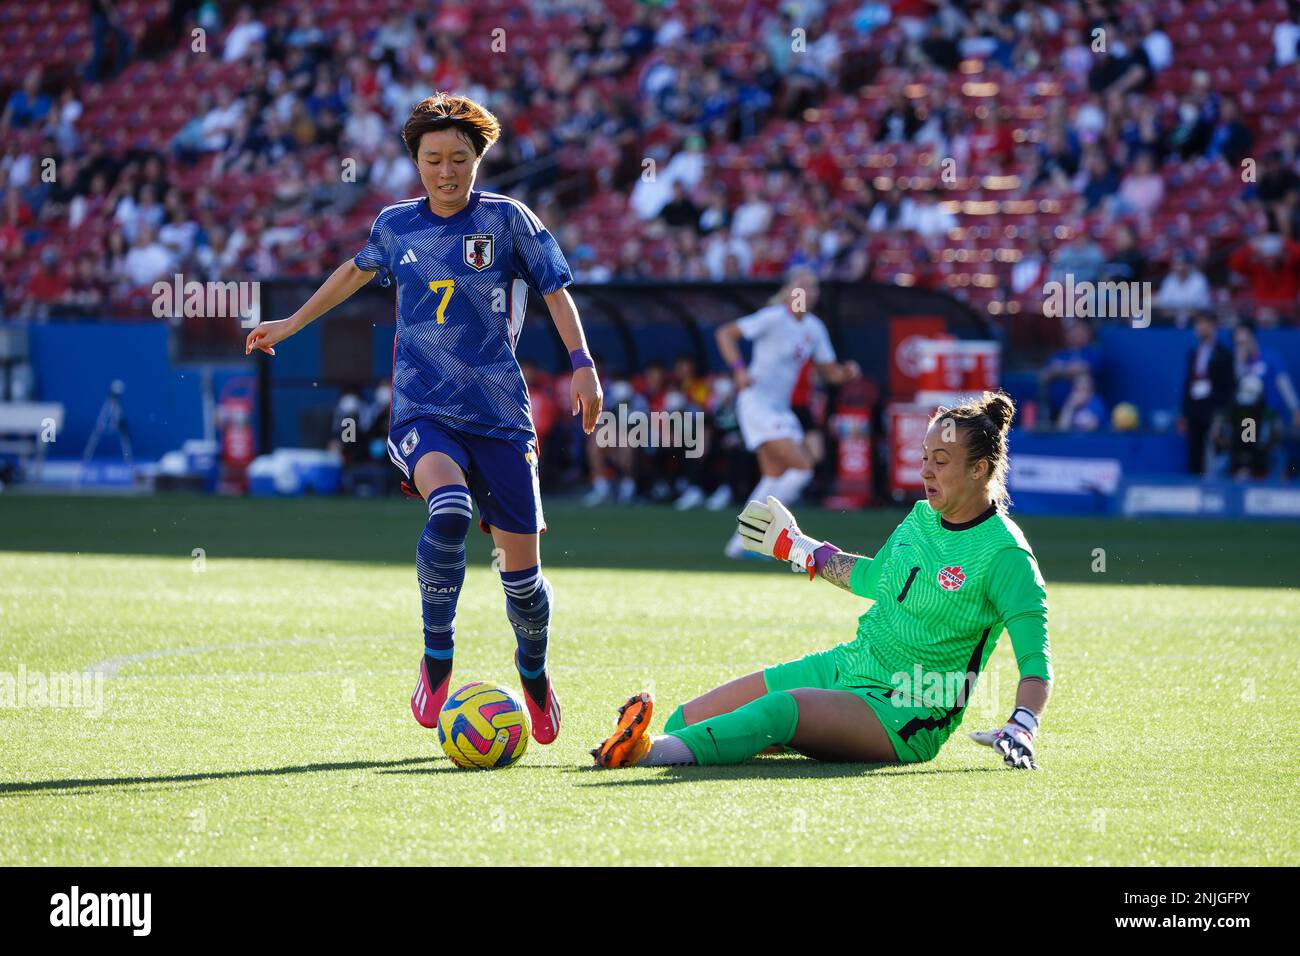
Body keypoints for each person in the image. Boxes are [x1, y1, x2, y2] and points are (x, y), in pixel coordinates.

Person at [245, 92, 602, 745]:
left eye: (458, 159)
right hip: (422, 408)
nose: (446, 171)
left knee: (522, 583)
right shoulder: (396, 225)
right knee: (449, 511)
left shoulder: (508, 220)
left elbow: (555, 288)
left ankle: (535, 673)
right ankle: (437, 660)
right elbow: (353, 275)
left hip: (499, 413)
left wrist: (582, 363)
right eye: (433, 159)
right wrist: (292, 324)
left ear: (477, 160)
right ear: (415, 160)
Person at [593, 392, 1052, 771]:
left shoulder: (1005, 554)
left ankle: (643, 754)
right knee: (688, 718)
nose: (926, 471)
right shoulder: (920, 518)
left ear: (979, 469)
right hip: (849, 665)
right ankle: (784, 735)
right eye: (925, 457)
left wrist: (1023, 724)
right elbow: (874, 579)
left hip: (904, 710)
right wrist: (795, 546)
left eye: (942, 461)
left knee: (778, 711)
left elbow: (1036, 661)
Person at [715, 269, 860, 558]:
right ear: (789, 291)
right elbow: (725, 334)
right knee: (802, 468)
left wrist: (845, 373)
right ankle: (757, 537)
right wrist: (739, 371)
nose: (806, 292)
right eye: (801, 286)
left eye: (812, 287)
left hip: (778, 408)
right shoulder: (773, 318)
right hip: (756, 403)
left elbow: (828, 371)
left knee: (775, 475)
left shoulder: (814, 328)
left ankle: (740, 543)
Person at [1179, 313, 1233, 475]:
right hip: (1195, 409)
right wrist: (1184, 412)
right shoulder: (1194, 353)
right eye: (1197, 324)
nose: (1199, 327)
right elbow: (1189, 383)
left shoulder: (1224, 354)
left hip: (1213, 410)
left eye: (1203, 323)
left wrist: (1221, 415)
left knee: (1215, 452)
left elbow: (1227, 387)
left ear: (1213, 326)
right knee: (1194, 452)